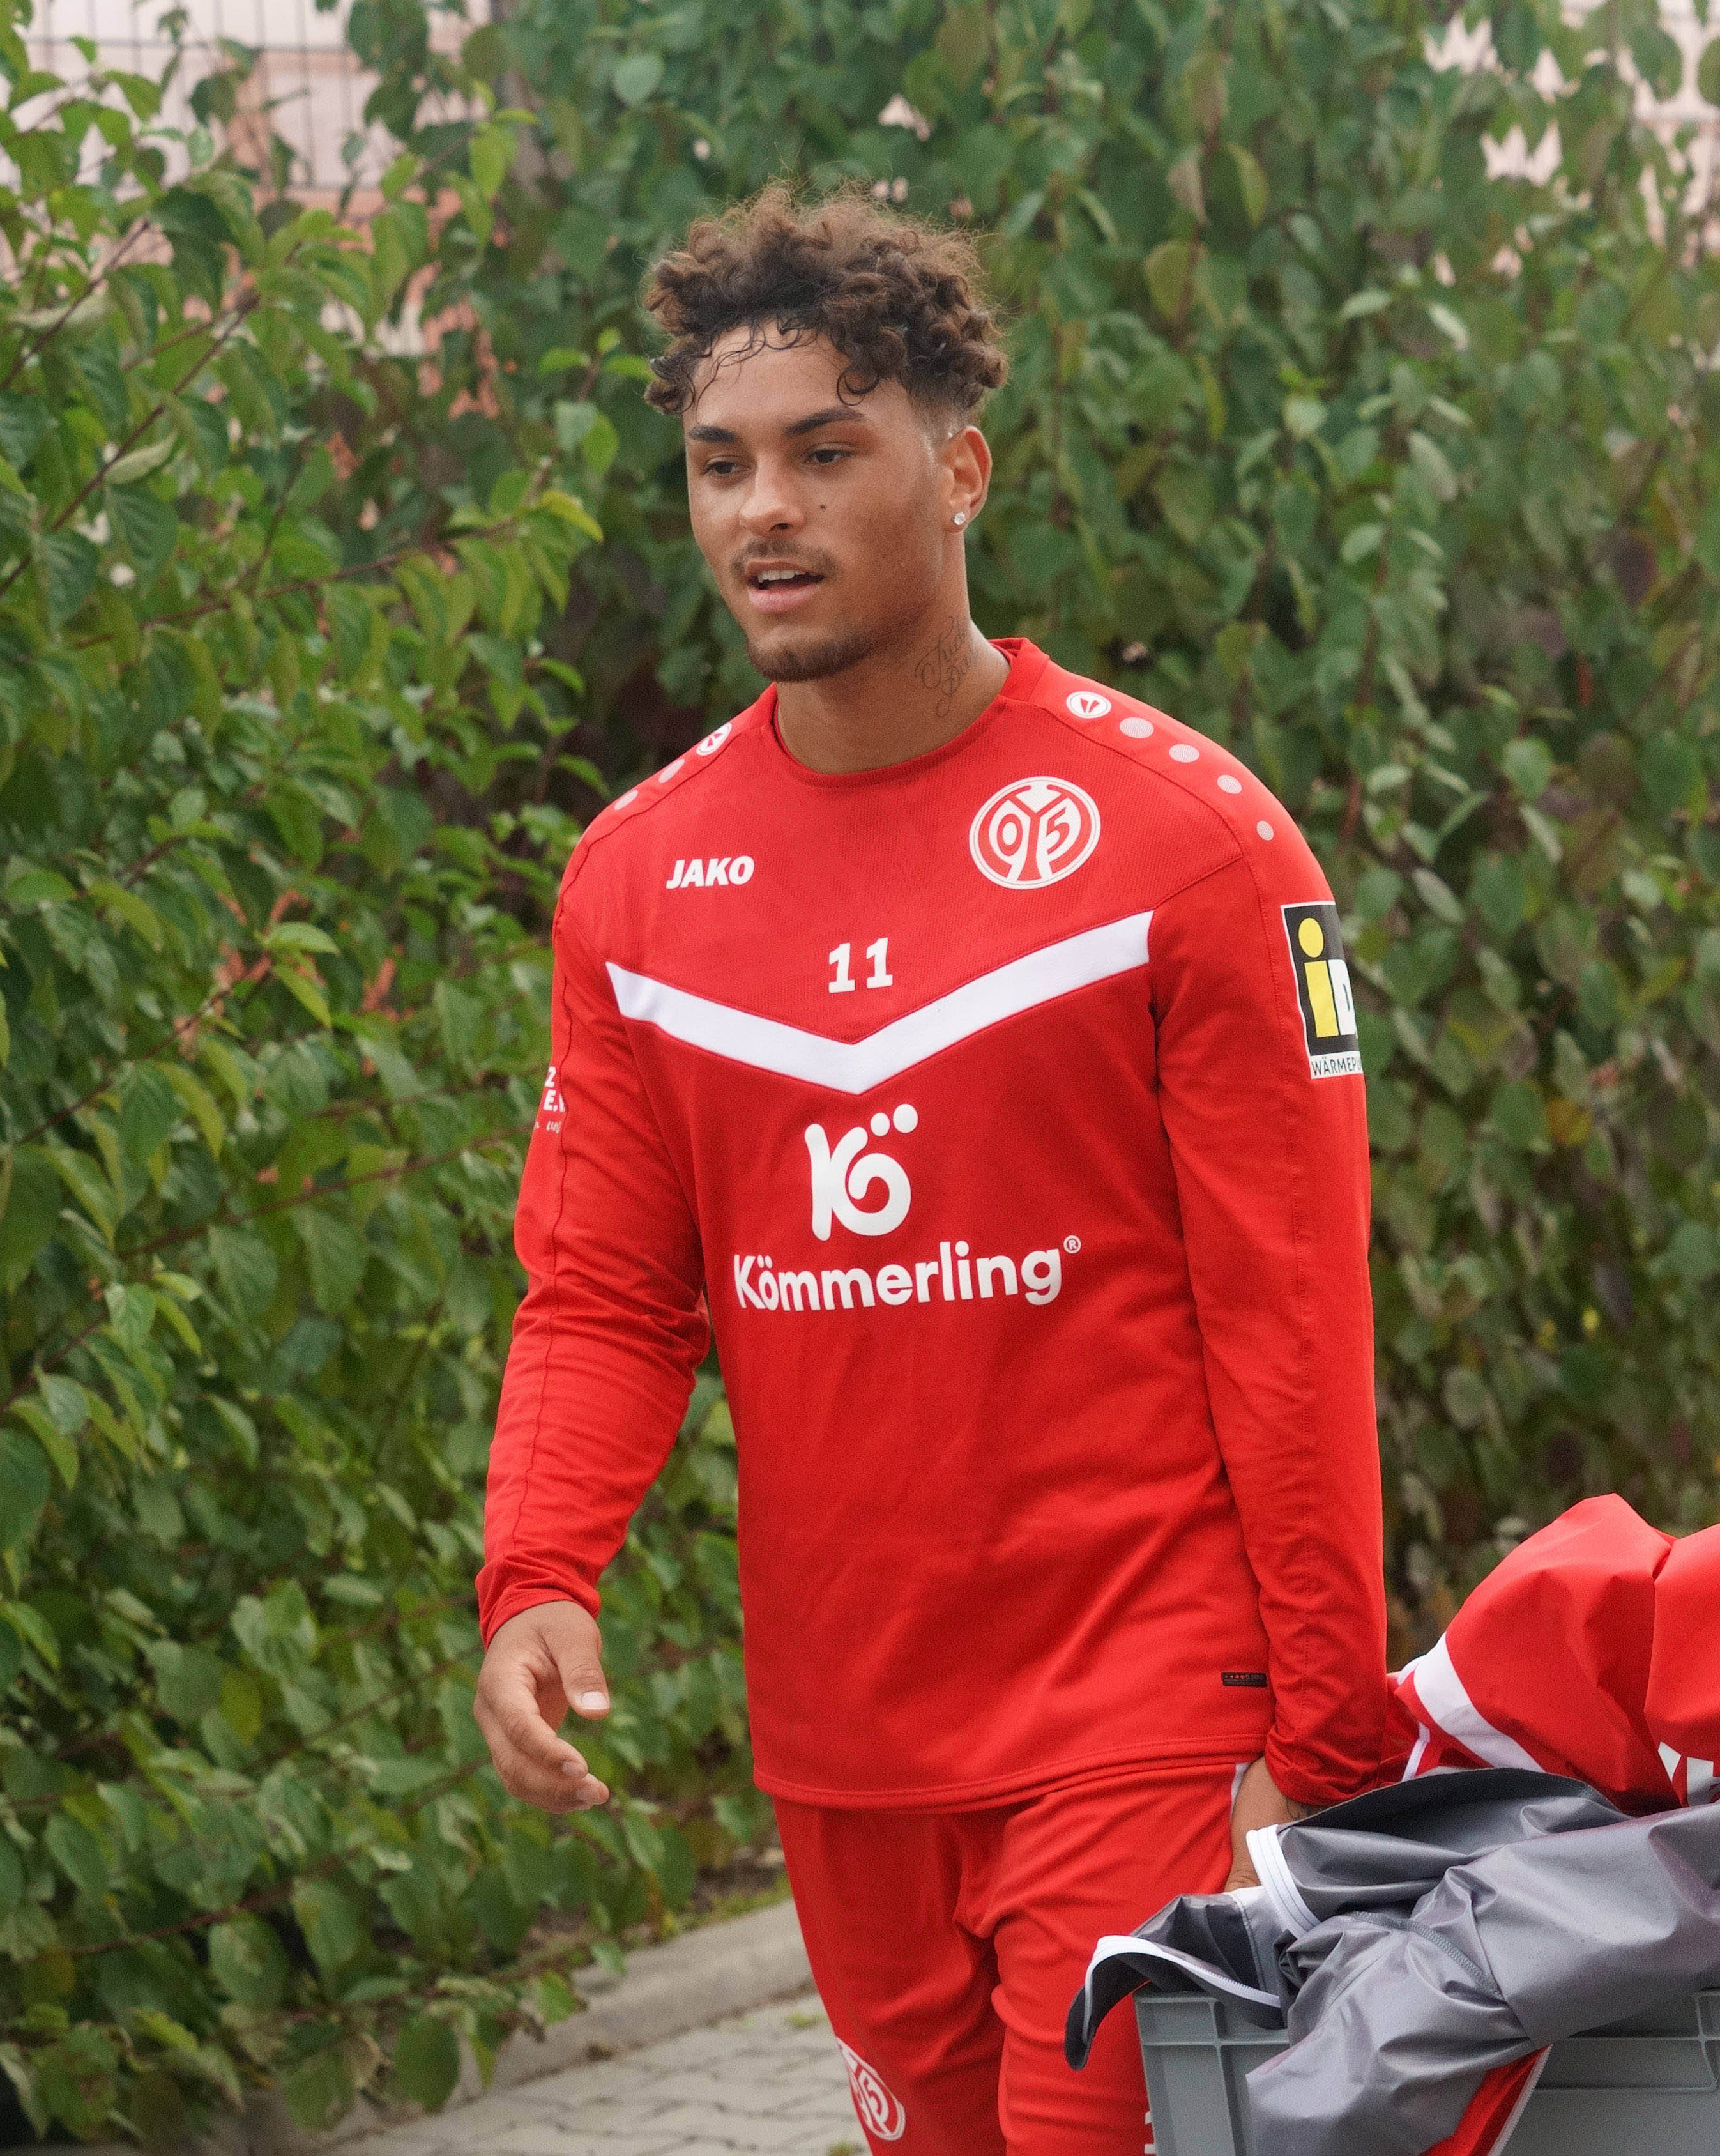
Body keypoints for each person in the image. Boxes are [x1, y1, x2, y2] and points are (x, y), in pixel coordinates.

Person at [466, 187, 1387, 2156]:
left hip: (1138, 1712)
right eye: (719, 464)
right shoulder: (635, 882)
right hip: (848, 1749)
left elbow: (1292, 1329)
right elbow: (612, 1292)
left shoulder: (1187, 843)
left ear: (957, 467)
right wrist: (539, 1567)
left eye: (823, 450)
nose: (760, 513)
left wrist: (1325, 1738)